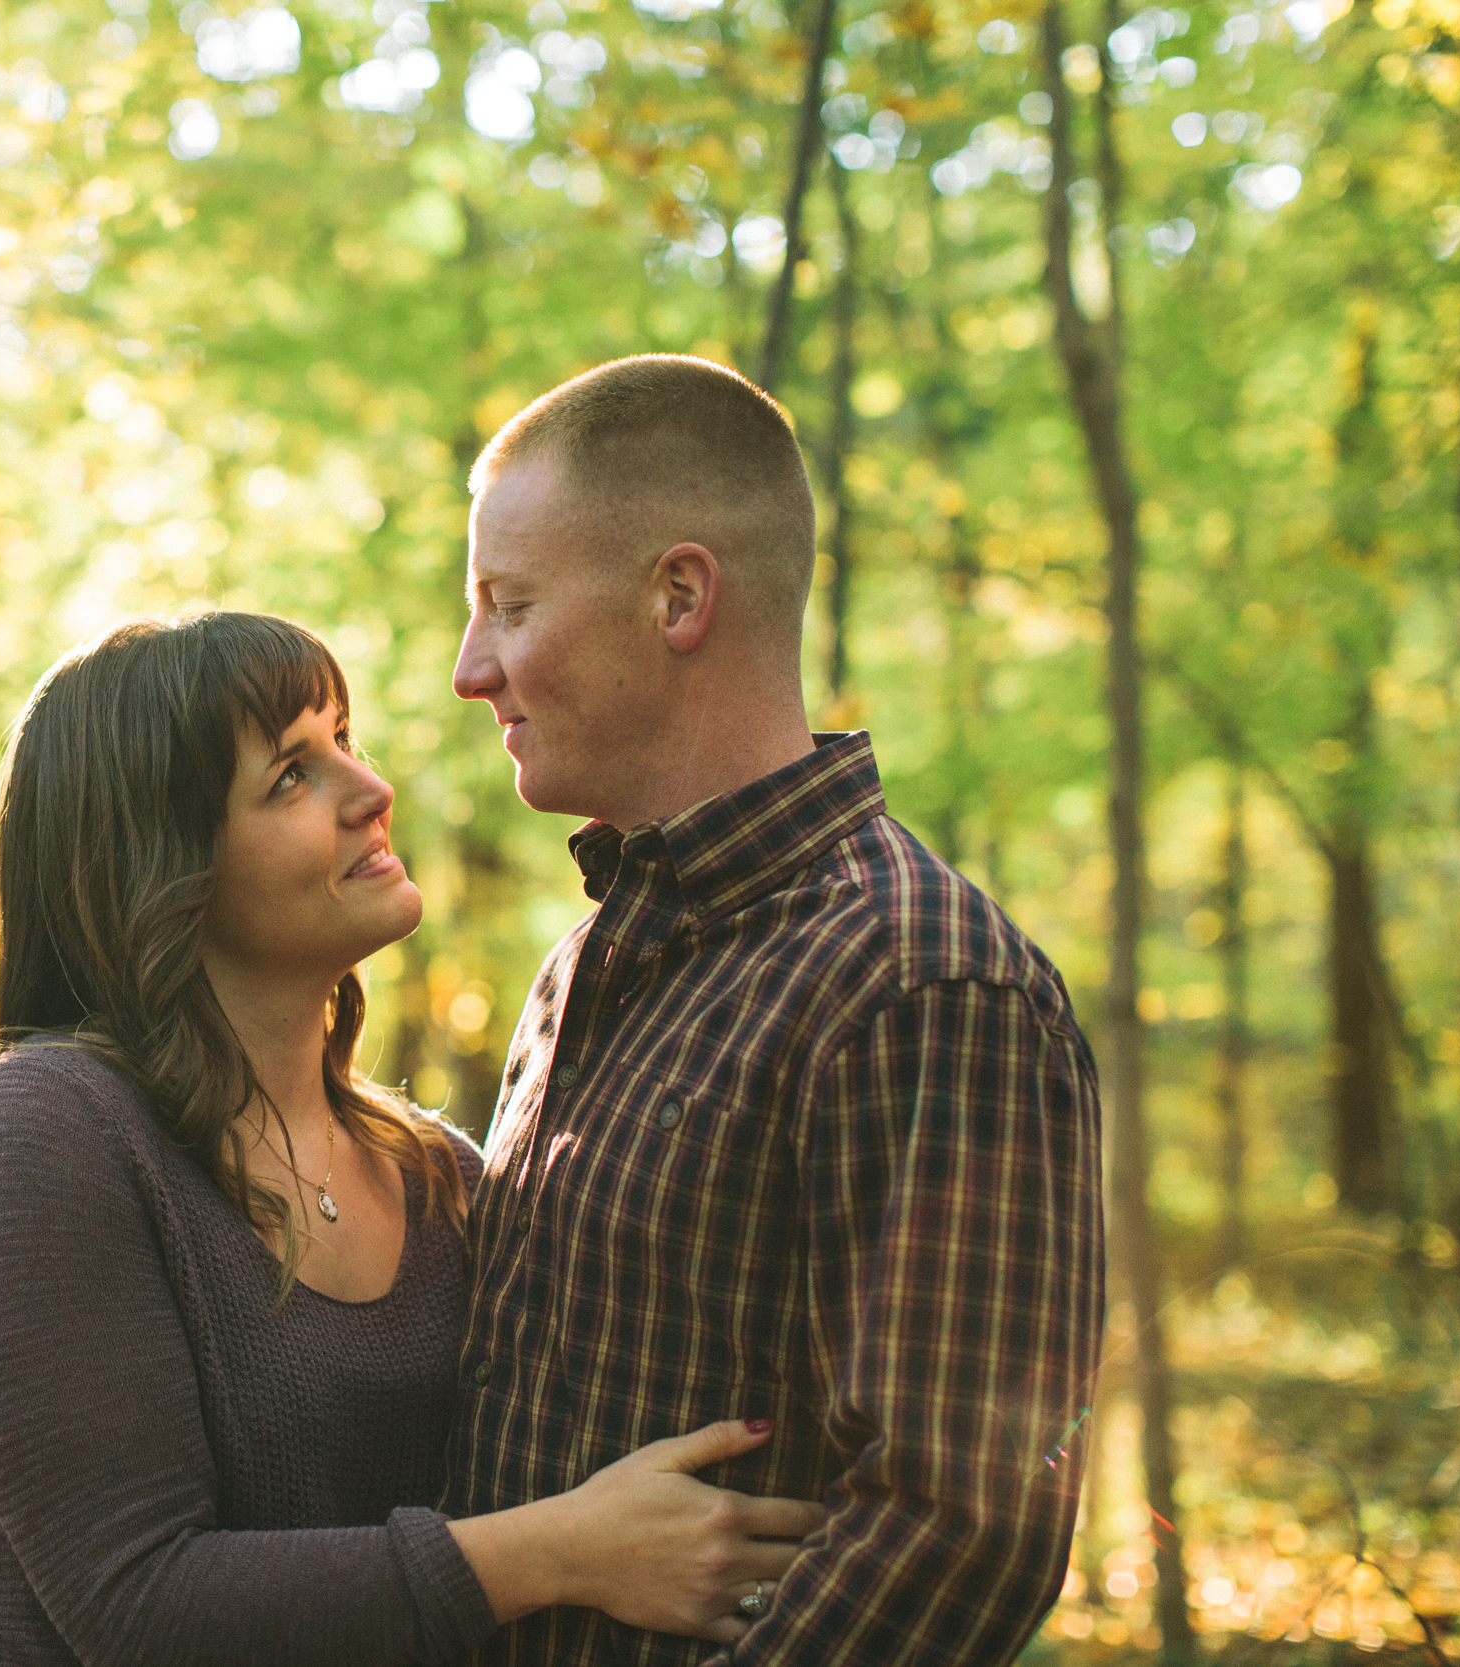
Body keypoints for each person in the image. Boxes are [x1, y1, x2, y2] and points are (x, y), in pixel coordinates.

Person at [0, 612, 827, 1667]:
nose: (369, 789)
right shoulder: (45, 1137)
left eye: (347, 737)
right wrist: (562, 1551)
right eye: (291, 773)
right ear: (157, 860)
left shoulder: (433, 1171)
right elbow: (140, 1603)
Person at [445, 355, 1106, 1666]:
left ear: (678, 594)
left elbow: (958, 1520)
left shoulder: (917, 978)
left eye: (509, 606)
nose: (474, 667)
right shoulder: (588, 962)